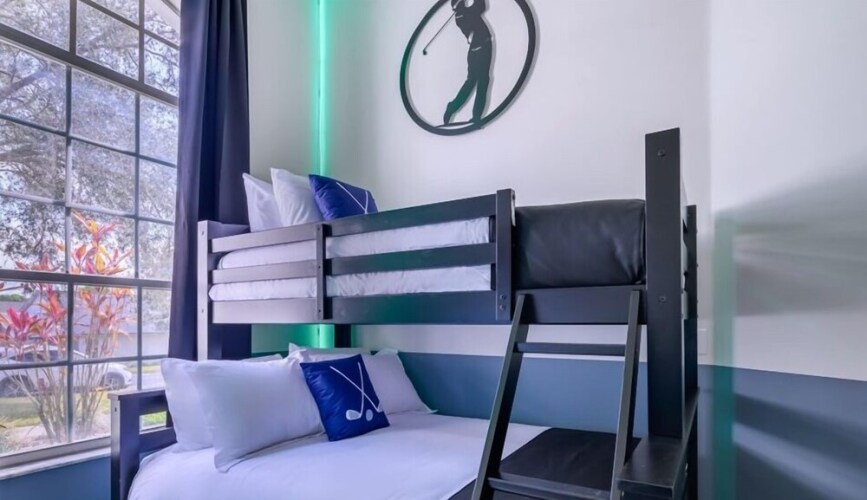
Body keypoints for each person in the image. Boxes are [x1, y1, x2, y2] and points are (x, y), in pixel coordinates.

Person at [443, 0, 493, 126]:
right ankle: (454, 108)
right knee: (476, 81)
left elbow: (480, 6)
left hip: (482, 48)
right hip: (479, 51)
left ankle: (475, 116)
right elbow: (478, 8)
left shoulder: (465, 12)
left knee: (480, 81)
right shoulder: (461, 15)